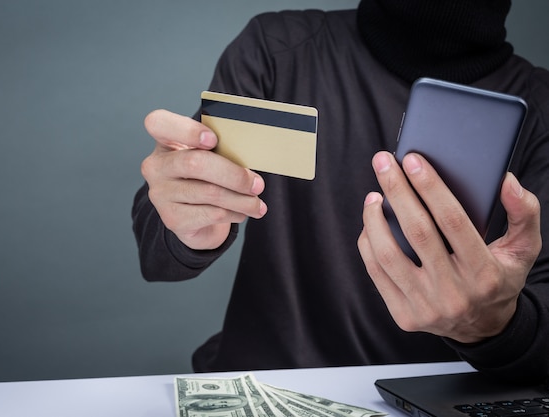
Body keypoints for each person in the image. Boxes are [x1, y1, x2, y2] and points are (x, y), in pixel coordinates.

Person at [132, 0, 549, 383]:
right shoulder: (280, 49)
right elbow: (157, 255)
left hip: (440, 394)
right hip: (264, 380)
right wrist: (188, 221)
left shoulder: (540, 109)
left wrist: (495, 327)